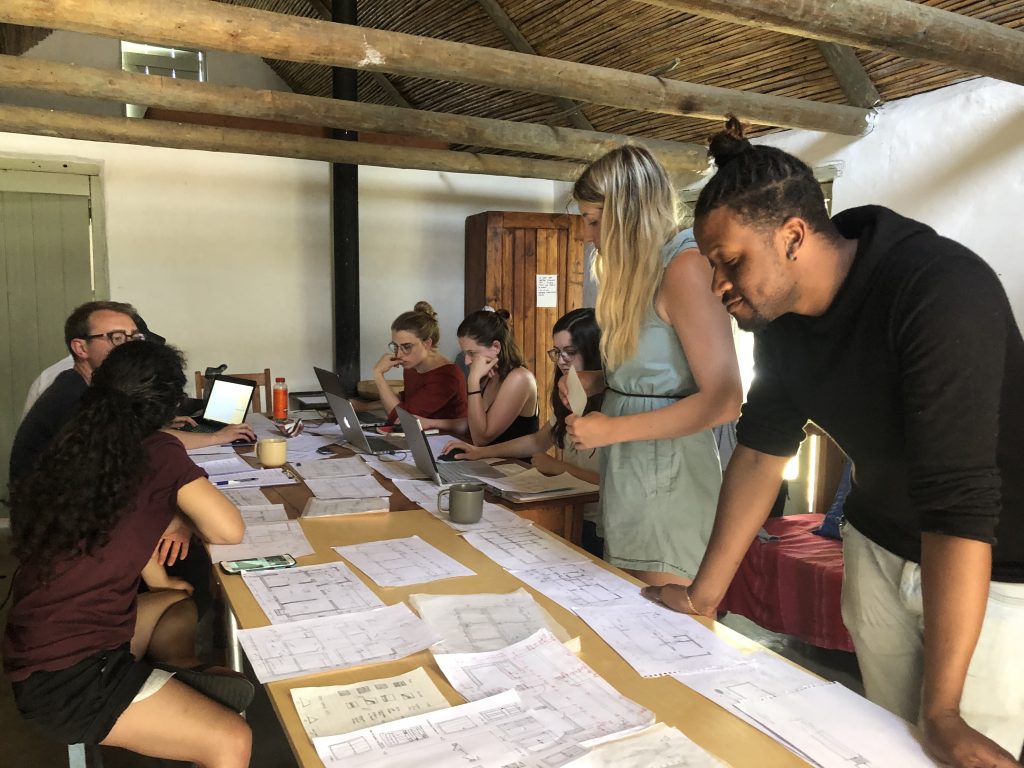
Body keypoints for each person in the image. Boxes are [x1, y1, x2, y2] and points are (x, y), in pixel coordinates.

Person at [643, 118, 1024, 767]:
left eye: (730, 261)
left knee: (950, 745)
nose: (717, 285)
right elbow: (762, 447)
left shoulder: (937, 291)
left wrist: (944, 711)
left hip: (995, 563)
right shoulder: (781, 318)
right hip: (877, 543)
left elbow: (958, 502)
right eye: (711, 264)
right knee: (888, 743)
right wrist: (704, 596)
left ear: (792, 236)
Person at [4, 341, 252, 767]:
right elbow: (229, 530)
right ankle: (176, 686)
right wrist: (183, 515)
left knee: (177, 599)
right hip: (69, 676)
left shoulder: (81, 442)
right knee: (232, 740)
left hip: (40, 638)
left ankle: (179, 669)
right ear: (171, 404)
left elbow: (117, 531)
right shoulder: (160, 452)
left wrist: (166, 546)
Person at [565, 145, 742, 587]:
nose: (587, 235)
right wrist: (607, 380)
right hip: (633, 468)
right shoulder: (639, 271)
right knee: (628, 612)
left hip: (669, 472)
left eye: (592, 219)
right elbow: (664, 370)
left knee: (667, 628)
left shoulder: (684, 266)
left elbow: (724, 400)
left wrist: (611, 429)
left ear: (626, 213)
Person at [443, 308, 605, 556]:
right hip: (573, 510)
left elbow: (610, 485)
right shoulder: (569, 392)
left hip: (598, 522)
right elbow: (539, 440)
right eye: (557, 352)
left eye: (570, 352)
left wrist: (560, 467)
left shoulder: (614, 406)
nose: (561, 360)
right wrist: (480, 453)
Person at [422, 308, 539, 446]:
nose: (466, 361)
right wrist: (431, 423)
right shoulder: (490, 376)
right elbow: (474, 423)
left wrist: (473, 381)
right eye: (465, 353)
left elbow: (481, 438)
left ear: (496, 347)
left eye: (472, 353)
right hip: (489, 461)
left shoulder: (520, 378)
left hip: (514, 466)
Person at [370, 301, 468, 424]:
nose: (399, 354)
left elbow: (400, 419)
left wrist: (378, 374)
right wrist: (363, 407)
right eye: (395, 346)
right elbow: (407, 402)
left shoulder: (447, 376)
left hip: (450, 440)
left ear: (427, 343)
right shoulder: (411, 365)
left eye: (407, 346)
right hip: (420, 436)